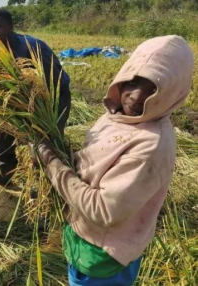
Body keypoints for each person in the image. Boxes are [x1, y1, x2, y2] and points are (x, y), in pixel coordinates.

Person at [32, 35, 194, 286]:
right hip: (82, 237)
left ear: (173, 91)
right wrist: (60, 152)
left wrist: (52, 163)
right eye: (133, 80)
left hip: (105, 254)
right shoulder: (118, 115)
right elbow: (91, 161)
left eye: (153, 87)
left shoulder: (151, 147)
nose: (136, 95)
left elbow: (101, 210)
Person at [0, 9, 71, 186]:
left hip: (53, 98)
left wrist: (40, 110)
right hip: (21, 99)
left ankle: (52, 185)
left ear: (11, 27)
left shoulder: (31, 46)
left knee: (47, 142)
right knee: (4, 136)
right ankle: (4, 175)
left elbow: (54, 79)